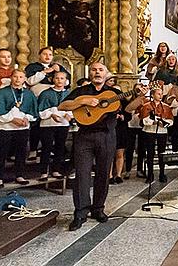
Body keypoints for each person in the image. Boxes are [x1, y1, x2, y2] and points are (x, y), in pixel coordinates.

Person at [58, 61, 121, 230]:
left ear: (106, 73)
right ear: (90, 73)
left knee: (103, 173)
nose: (97, 72)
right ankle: (80, 213)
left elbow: (128, 108)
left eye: (101, 70)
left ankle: (98, 209)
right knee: (82, 174)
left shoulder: (113, 93)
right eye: (94, 70)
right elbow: (62, 105)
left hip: (107, 136)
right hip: (84, 135)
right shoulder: (81, 91)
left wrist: (139, 95)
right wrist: (83, 101)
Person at [0, 69, 38, 188]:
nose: (18, 79)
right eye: (15, 76)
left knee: (21, 153)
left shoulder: (29, 94)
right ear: (11, 77)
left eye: (21, 77)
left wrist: (27, 118)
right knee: (1, 154)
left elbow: (32, 110)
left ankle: (19, 175)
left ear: (25, 79)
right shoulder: (2, 93)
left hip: (22, 128)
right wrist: (12, 119)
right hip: (4, 128)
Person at [127, 85, 173, 183]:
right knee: (150, 154)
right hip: (149, 132)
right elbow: (143, 120)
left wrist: (164, 123)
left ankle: (162, 173)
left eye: (161, 94)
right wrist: (153, 122)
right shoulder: (146, 106)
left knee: (162, 153)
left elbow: (171, 120)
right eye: (158, 94)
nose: (160, 96)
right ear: (153, 95)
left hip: (162, 132)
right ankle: (150, 174)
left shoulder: (166, 107)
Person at [37, 71, 72, 180]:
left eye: (62, 78)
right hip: (48, 124)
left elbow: (73, 106)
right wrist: (51, 114)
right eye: (57, 78)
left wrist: (69, 114)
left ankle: (56, 170)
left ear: (66, 80)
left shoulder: (69, 94)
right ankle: (44, 172)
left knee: (60, 147)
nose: (59, 80)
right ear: (53, 79)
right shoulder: (45, 93)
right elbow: (41, 110)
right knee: (46, 147)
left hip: (63, 124)